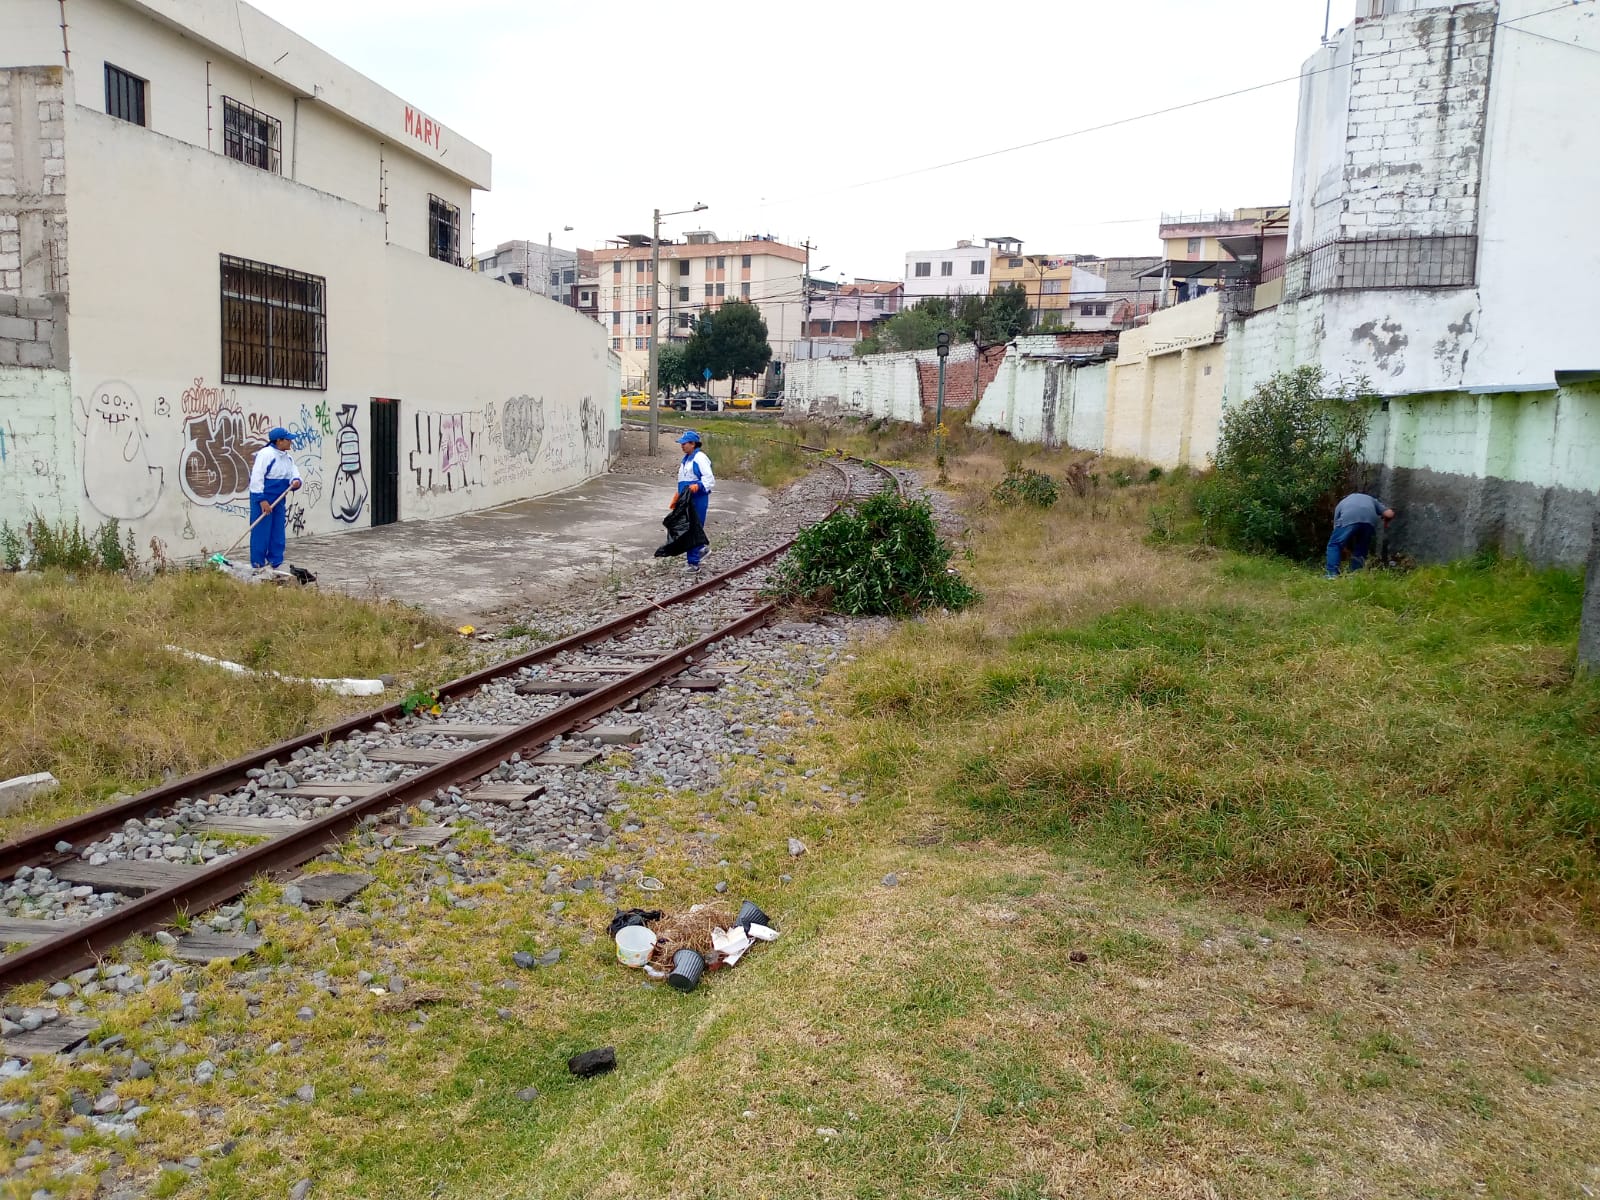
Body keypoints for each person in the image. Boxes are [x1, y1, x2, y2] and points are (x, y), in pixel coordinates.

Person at [247, 426, 303, 573]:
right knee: (261, 531)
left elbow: (294, 472)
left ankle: (275, 562)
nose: (291, 442)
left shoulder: (287, 457)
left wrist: (296, 481)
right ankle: (258, 564)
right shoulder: (265, 454)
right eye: (288, 439)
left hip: (279, 497)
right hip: (264, 497)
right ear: (279, 441)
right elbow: (256, 478)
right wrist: (262, 500)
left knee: (277, 530)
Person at [1326, 491, 1394, 579]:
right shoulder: (1371, 499)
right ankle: (1355, 574)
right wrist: (1386, 521)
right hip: (1370, 520)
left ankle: (1332, 575)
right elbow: (1389, 513)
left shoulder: (1342, 503)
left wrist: (1343, 547)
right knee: (1362, 548)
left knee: (1334, 544)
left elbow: (1336, 528)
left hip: (1349, 516)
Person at [674, 429, 715, 571]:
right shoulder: (686, 459)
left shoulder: (700, 458)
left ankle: (694, 562)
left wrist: (697, 487)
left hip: (697, 498)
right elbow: (683, 480)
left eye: (684, 443)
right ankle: (699, 551)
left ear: (693, 444)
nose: (682, 446)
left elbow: (709, 479)